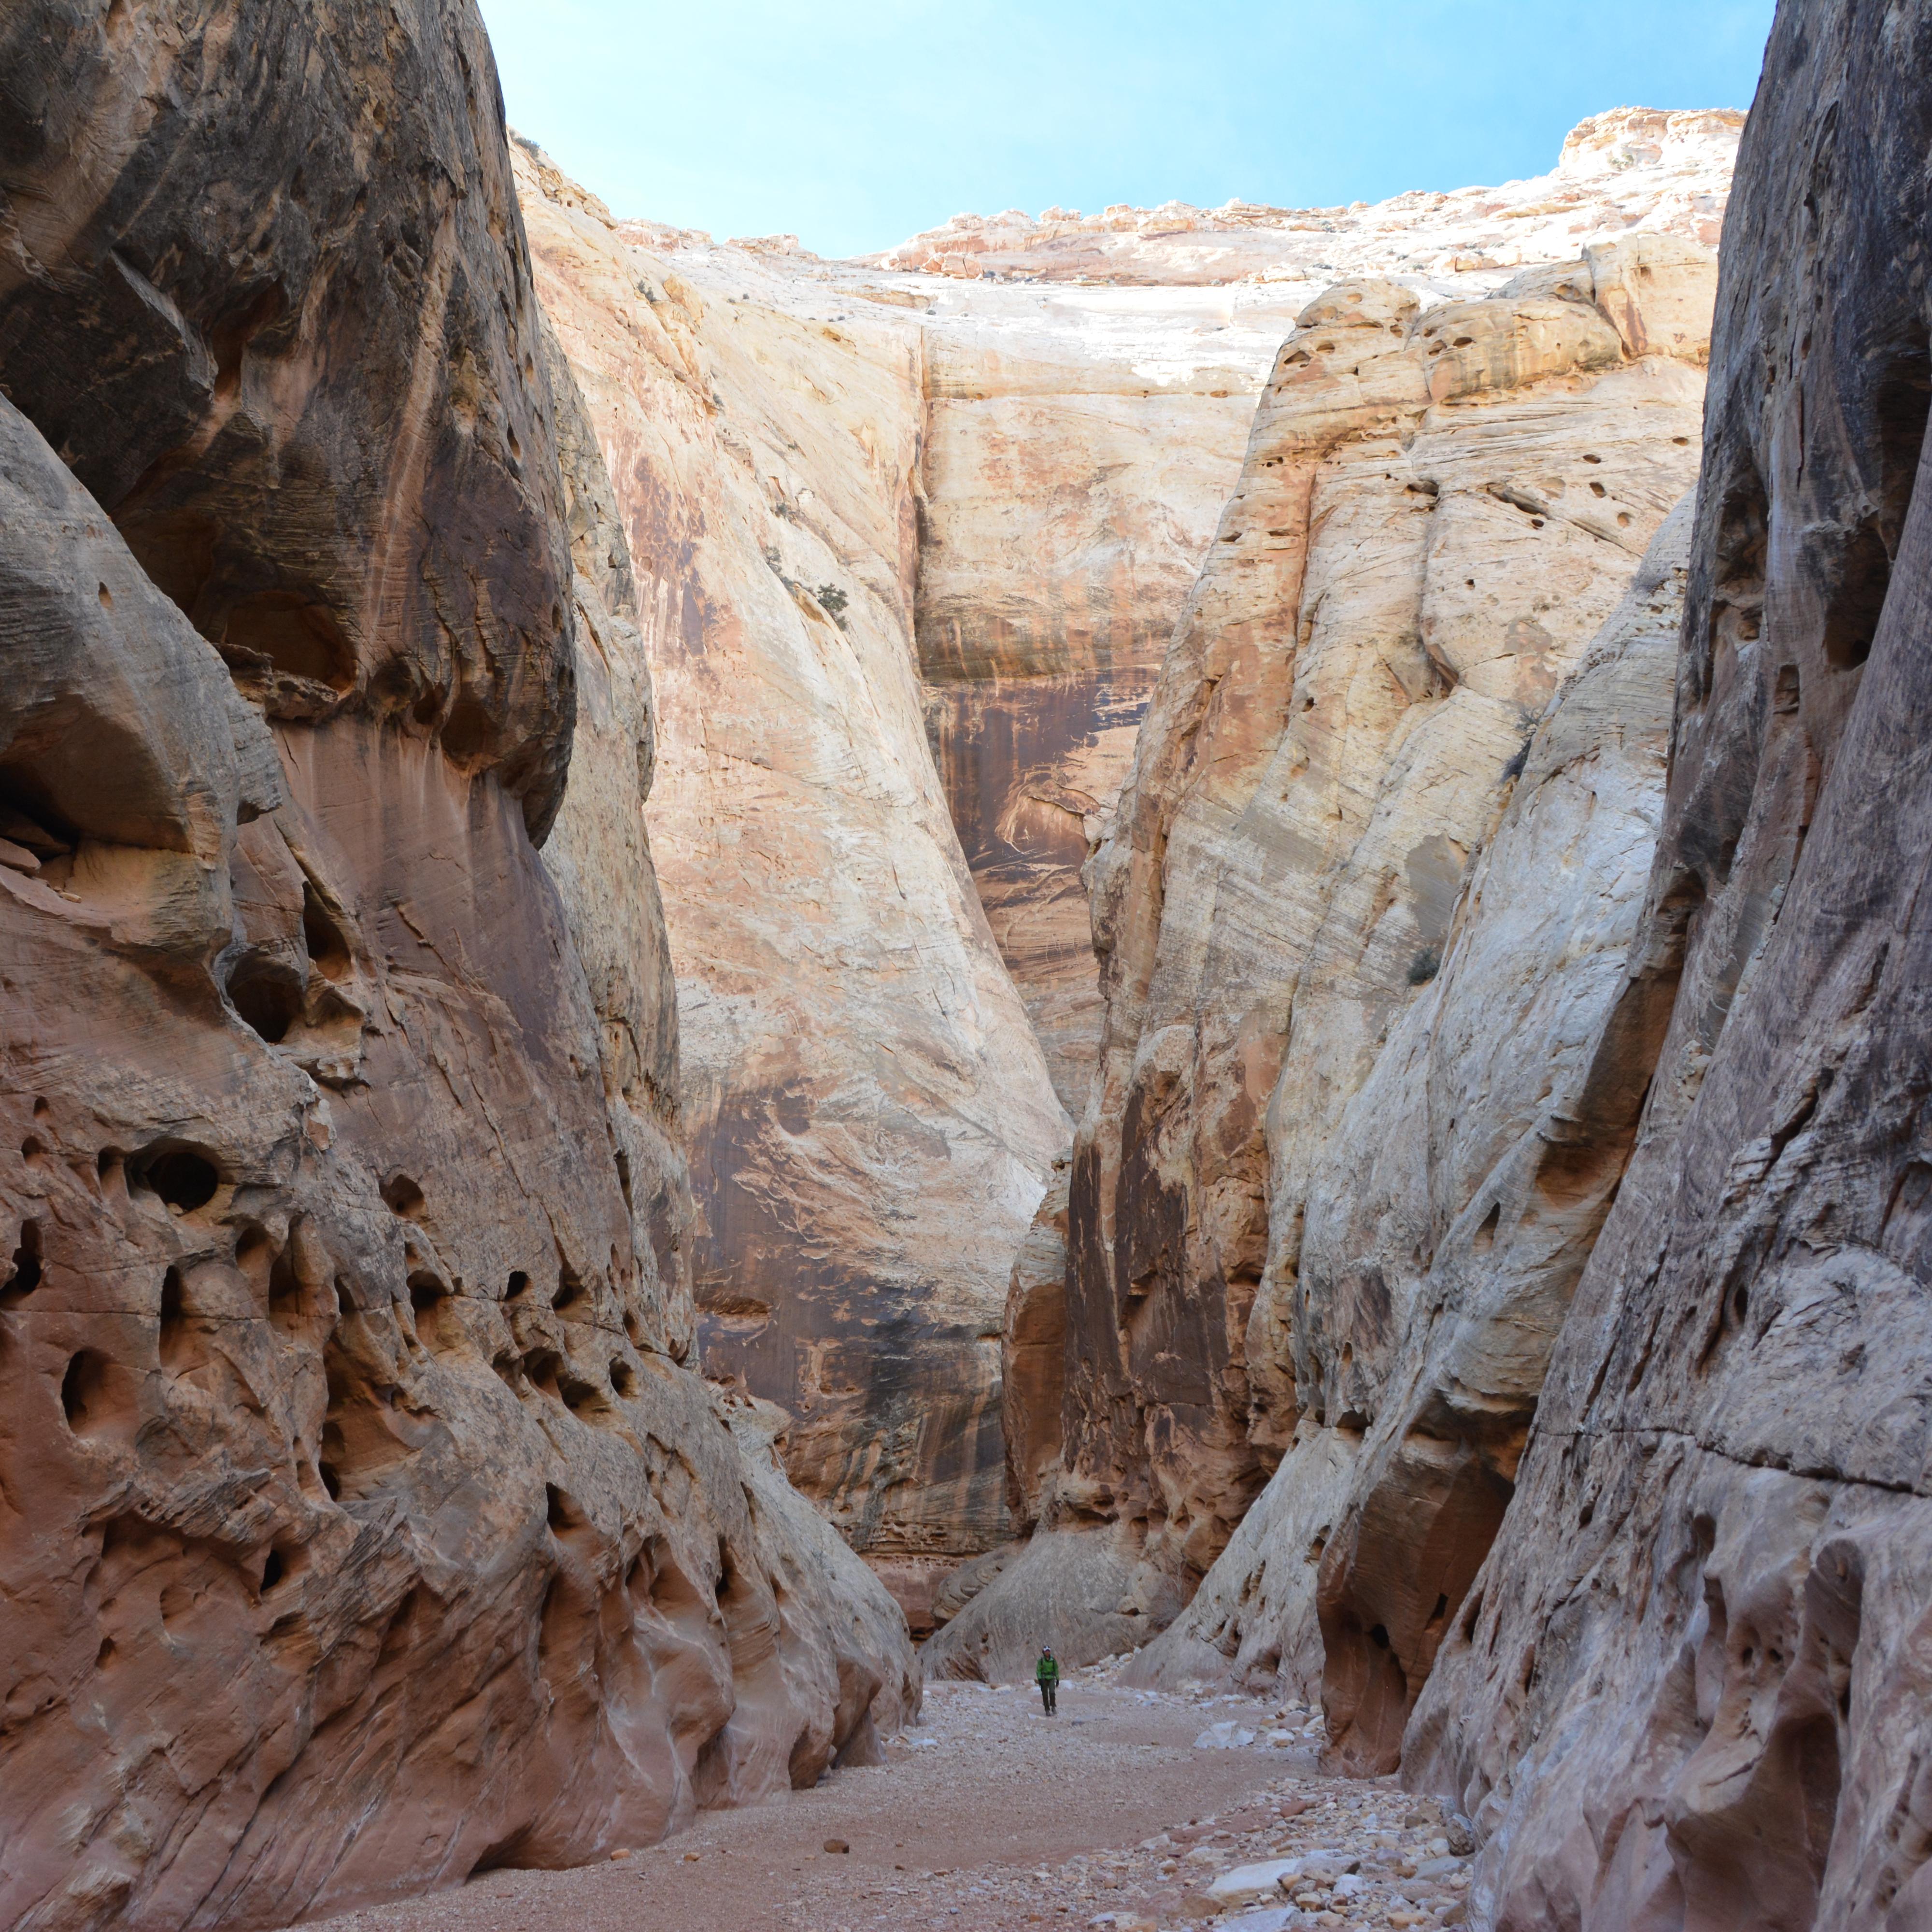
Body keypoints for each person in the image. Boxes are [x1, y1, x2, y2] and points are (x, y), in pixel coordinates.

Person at [1035, 1646, 1059, 1715]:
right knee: (1045, 1695)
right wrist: (1040, 1679)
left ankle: (1053, 1706)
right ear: (1044, 1652)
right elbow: (1039, 1670)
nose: (1048, 1652)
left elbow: (1056, 1669)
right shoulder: (1041, 1661)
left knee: (1052, 1693)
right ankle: (1047, 1710)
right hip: (1044, 1678)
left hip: (1051, 1678)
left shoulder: (1053, 1660)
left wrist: (1058, 1679)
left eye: (1049, 1651)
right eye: (1046, 1651)